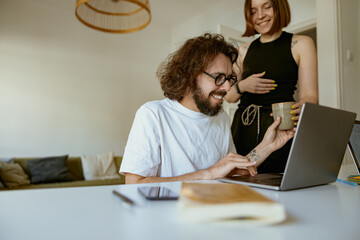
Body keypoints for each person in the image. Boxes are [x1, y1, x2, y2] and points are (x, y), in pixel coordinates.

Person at [120, 33, 295, 184]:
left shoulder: (221, 118)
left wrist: (268, 145)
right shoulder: (153, 114)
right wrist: (209, 173)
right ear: (190, 75)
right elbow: (135, 183)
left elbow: (232, 170)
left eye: (229, 79)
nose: (227, 88)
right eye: (219, 77)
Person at [225, 0, 318, 173]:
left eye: (267, 7)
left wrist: (303, 109)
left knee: (279, 183)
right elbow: (229, 96)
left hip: (280, 127)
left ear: (279, 7)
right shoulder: (243, 50)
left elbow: (310, 96)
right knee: (240, 180)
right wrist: (243, 85)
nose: (260, 15)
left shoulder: (301, 44)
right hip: (244, 128)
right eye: (253, 11)